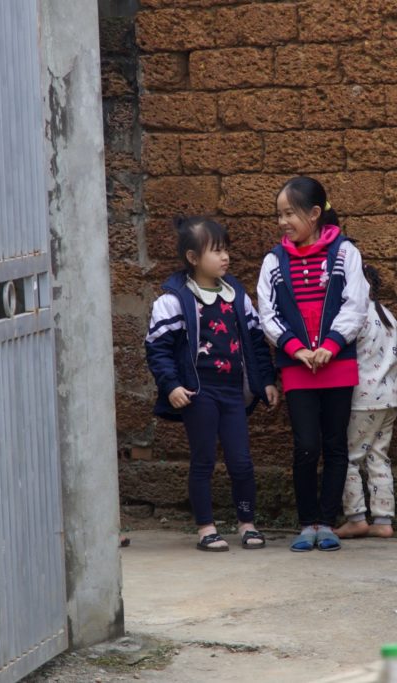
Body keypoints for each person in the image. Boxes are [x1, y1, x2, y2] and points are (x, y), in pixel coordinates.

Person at [145, 217, 278, 552]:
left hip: (233, 391)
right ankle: (206, 528)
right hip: (198, 392)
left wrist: (266, 382)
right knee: (203, 459)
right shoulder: (174, 299)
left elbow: (256, 341)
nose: (225, 257)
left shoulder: (237, 296)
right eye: (216, 251)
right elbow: (157, 348)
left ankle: (247, 523)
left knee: (241, 461)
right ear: (192, 258)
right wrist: (171, 385)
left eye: (226, 250)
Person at [257, 177, 370, 552]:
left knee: (335, 444)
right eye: (279, 214)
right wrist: (296, 349)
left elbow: (356, 304)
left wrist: (333, 345)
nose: (283, 221)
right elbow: (267, 313)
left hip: (337, 364)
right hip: (297, 367)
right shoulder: (274, 260)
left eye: (290, 213)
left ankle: (327, 522)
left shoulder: (344, 253)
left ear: (315, 213)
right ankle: (306, 523)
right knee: (306, 445)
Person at [335, 265, 397, 539]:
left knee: (350, 457)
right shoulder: (386, 315)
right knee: (378, 456)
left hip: (361, 399)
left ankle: (355, 518)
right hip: (389, 398)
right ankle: (383, 519)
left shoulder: (354, 318)